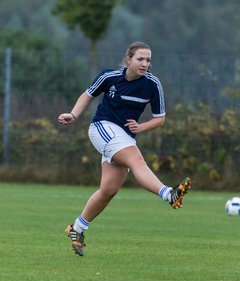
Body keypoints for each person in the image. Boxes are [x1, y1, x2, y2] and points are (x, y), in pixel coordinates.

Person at [58, 41, 191, 256]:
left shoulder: (152, 84)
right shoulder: (109, 77)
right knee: (136, 160)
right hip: (102, 127)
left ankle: (77, 229)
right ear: (128, 59)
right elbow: (87, 95)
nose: (145, 63)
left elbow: (160, 119)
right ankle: (168, 194)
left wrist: (141, 127)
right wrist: (73, 115)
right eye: (140, 59)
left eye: (148, 60)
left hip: (125, 136)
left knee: (108, 190)